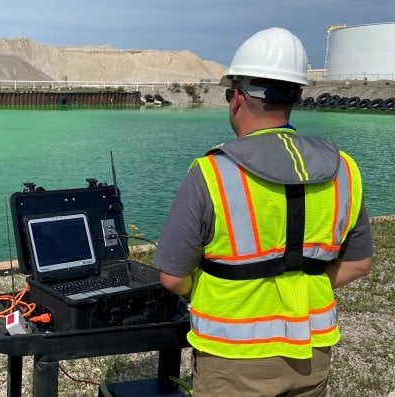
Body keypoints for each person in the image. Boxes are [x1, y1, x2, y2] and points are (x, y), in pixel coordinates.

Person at [153, 27, 373, 396]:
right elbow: (358, 264)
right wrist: (302, 288)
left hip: (231, 358)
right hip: (312, 352)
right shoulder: (344, 169)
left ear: (237, 97)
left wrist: (215, 291)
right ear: (294, 97)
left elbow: (173, 278)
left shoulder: (213, 172)